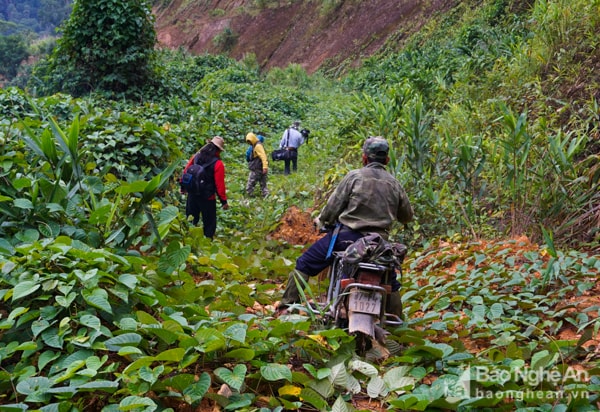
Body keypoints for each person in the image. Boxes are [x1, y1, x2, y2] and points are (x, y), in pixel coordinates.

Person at [277, 136, 413, 317]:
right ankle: (396, 323)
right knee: (390, 282)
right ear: (387, 160)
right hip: (379, 246)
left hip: (347, 239)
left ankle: (286, 307)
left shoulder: (354, 177)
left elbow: (332, 207)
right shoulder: (394, 184)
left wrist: (323, 221)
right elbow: (407, 216)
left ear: (365, 158)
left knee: (304, 263)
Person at [182, 136, 229, 238]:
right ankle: (207, 242)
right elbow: (219, 185)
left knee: (191, 219)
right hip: (207, 197)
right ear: (219, 150)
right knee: (209, 223)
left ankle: (189, 239)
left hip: (192, 193)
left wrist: (183, 187)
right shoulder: (218, 164)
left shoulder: (197, 156)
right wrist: (224, 201)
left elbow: (186, 171)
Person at [245, 132, 269, 197]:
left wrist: (265, 167)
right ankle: (266, 195)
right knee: (263, 183)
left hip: (257, 169)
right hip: (260, 168)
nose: (249, 143)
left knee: (250, 183)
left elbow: (263, 156)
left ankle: (249, 195)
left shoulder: (258, 146)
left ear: (252, 139)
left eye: (249, 141)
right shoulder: (256, 145)